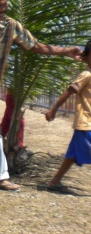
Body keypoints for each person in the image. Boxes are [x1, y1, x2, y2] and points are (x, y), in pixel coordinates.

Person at [0, 0, 82, 191]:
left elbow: (35, 46)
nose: (3, 10)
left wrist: (65, 51)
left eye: (5, 5)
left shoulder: (10, 26)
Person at [45, 40, 91, 194]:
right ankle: (55, 181)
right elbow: (69, 92)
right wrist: (54, 109)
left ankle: (55, 182)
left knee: (72, 156)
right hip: (86, 123)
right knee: (73, 155)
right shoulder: (86, 75)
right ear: (85, 58)